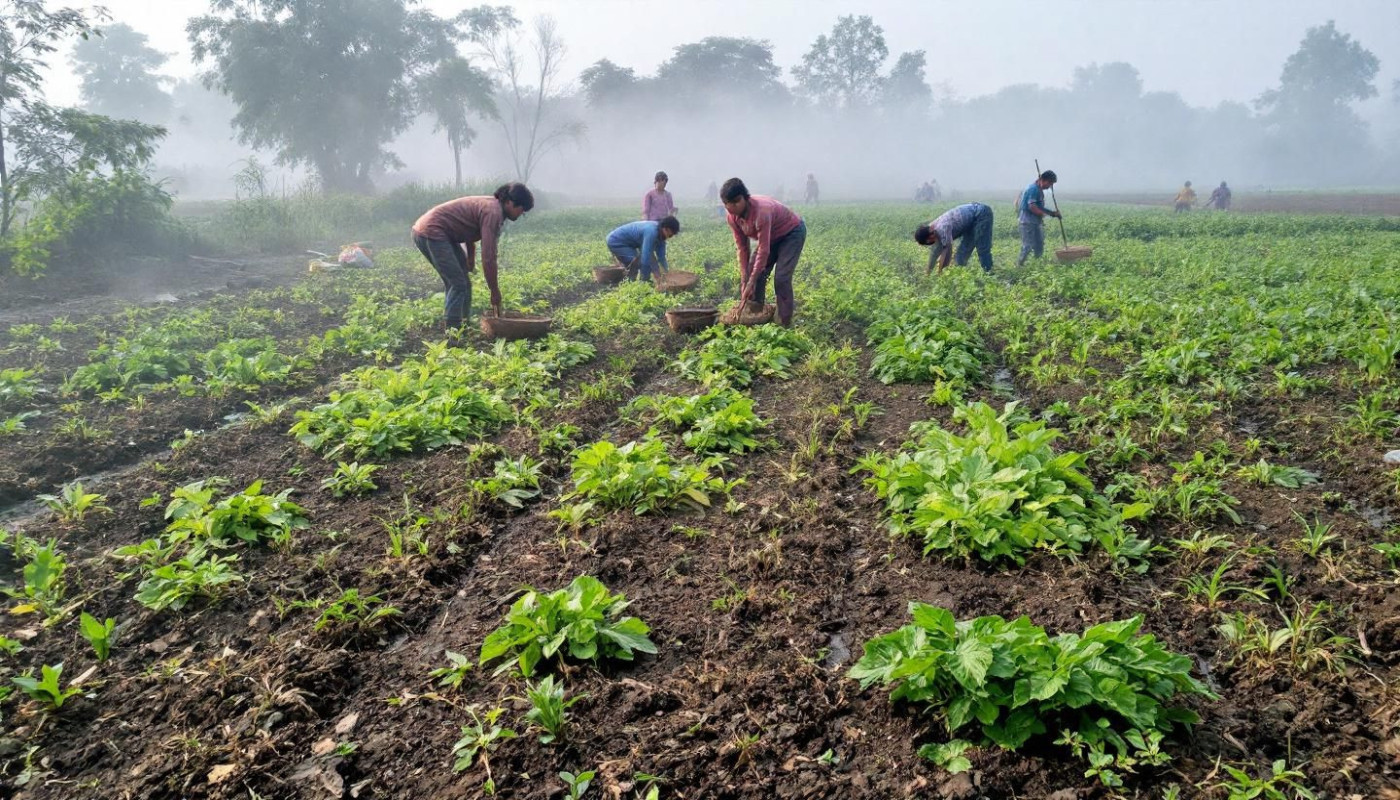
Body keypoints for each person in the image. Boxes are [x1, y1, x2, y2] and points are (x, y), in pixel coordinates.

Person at [411, 182, 533, 331]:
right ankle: (453, 332)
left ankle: (463, 324)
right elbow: (488, 257)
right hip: (433, 231)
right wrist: (494, 291)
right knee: (457, 283)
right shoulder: (493, 213)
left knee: (464, 283)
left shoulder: (492, 206)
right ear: (510, 202)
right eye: (522, 210)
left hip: (439, 232)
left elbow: (467, 226)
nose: (521, 214)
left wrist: (470, 258)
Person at [721, 177, 806, 327]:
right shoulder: (732, 217)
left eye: (735, 203)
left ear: (744, 199)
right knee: (753, 271)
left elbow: (764, 250)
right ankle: (755, 311)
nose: (731, 208)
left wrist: (751, 281)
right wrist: (745, 280)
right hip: (770, 236)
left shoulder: (761, 211)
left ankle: (783, 321)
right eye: (727, 205)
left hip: (791, 233)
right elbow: (742, 248)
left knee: (781, 277)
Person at [914, 202, 995, 274]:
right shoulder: (931, 229)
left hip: (981, 214)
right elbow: (935, 252)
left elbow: (947, 253)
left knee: (982, 247)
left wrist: (941, 273)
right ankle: (960, 275)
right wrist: (928, 273)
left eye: (928, 242)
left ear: (930, 237)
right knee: (960, 256)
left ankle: (988, 272)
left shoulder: (942, 228)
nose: (930, 243)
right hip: (970, 222)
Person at [607, 216, 679, 282]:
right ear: (666, 229)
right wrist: (645, 280)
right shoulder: (651, 232)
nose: (670, 237)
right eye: (670, 235)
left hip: (629, 244)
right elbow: (646, 257)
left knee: (640, 261)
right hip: (616, 241)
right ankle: (630, 282)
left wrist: (666, 274)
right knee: (636, 263)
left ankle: (629, 277)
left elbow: (661, 257)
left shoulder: (661, 235)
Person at [1016, 170, 1061, 267]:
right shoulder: (1033, 189)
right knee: (1028, 246)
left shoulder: (1039, 190)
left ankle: (1037, 265)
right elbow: (1032, 207)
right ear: (1043, 180)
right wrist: (1044, 215)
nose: (1049, 186)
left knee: (1039, 244)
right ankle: (1019, 265)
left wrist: (1053, 213)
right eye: (1049, 183)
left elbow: (1040, 207)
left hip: (1036, 222)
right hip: (1027, 222)